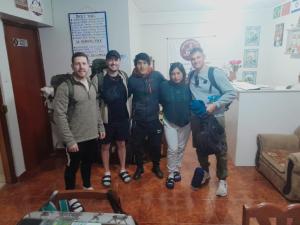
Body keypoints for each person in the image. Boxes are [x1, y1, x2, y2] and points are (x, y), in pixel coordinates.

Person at [53, 52, 105, 190]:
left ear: (88, 65)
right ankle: (70, 196)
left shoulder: (91, 83)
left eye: (84, 63)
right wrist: (69, 140)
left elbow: (95, 107)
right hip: (75, 138)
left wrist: (100, 127)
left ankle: (86, 185)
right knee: (73, 166)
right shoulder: (65, 87)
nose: (81, 67)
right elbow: (59, 115)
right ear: (72, 66)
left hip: (91, 135)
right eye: (77, 63)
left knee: (87, 163)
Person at [189, 47, 237, 196]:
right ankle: (205, 172)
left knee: (220, 149)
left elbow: (231, 93)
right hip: (198, 119)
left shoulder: (215, 73)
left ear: (203, 57)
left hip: (216, 118)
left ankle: (222, 180)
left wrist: (215, 105)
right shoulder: (191, 75)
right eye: (193, 59)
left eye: (198, 57)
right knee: (200, 148)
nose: (196, 61)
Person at [95, 50, 131, 187]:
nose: (113, 62)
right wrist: (98, 123)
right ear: (106, 62)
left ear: (119, 62)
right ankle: (107, 172)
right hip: (106, 120)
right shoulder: (99, 78)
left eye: (116, 60)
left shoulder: (124, 76)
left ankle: (122, 169)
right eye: (110, 60)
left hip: (122, 118)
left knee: (122, 144)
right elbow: (95, 102)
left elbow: (127, 97)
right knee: (105, 146)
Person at [128, 52, 165, 180]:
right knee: (137, 145)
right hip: (138, 119)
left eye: (144, 63)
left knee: (155, 145)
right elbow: (124, 96)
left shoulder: (157, 76)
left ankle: (156, 166)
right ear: (136, 65)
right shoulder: (132, 80)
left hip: (154, 118)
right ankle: (139, 168)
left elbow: (166, 89)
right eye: (139, 63)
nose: (142, 66)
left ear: (149, 64)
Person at [159, 62, 191, 189]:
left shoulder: (189, 87)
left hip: (186, 123)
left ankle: (177, 168)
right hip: (169, 121)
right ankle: (171, 173)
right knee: (173, 148)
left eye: (178, 73)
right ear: (170, 75)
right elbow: (160, 100)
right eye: (173, 73)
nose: (176, 76)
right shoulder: (164, 86)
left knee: (181, 147)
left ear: (183, 73)